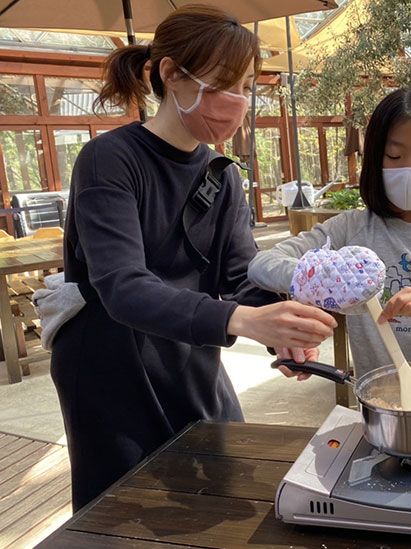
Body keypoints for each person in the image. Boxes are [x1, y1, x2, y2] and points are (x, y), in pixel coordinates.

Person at [51, 5, 336, 510]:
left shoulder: (221, 173)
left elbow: (238, 274)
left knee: (226, 495)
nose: (238, 101)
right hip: (108, 367)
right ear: (170, 75)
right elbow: (122, 286)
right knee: (125, 513)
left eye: (247, 86)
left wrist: (282, 331)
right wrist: (246, 319)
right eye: (225, 82)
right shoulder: (108, 159)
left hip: (190, 355)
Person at [248, 88, 411, 427]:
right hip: (386, 415)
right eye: (393, 155)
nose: (409, 169)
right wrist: (329, 278)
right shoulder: (349, 229)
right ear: (375, 158)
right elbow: (262, 265)